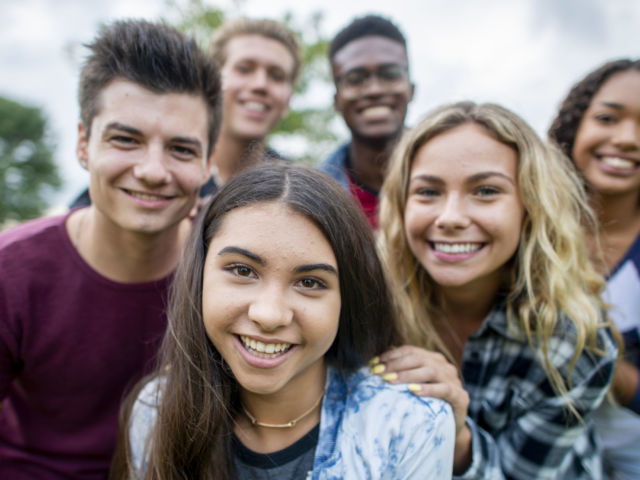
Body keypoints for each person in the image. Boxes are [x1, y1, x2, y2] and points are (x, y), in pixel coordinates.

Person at [110, 163, 455, 479]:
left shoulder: (411, 427)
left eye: (309, 283)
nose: (270, 315)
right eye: (243, 271)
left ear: (347, 299)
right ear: (199, 276)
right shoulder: (155, 413)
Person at [0, 20, 222, 479]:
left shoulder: (228, 275)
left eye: (181, 149)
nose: (152, 171)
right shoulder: (12, 272)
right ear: (84, 144)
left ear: (207, 164)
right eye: (126, 139)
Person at [376, 101, 618, 479]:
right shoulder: (368, 306)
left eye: (486, 191)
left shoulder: (576, 341)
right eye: (428, 192)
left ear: (531, 206)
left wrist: (457, 436)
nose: (451, 218)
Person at [70, 17, 300, 208]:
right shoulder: (129, 185)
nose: (260, 84)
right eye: (244, 69)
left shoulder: (298, 188)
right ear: (213, 81)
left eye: (277, 76)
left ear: (289, 96)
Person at [549, 58, 640, 480]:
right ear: (575, 123)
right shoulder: (530, 230)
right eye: (607, 118)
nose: (626, 139)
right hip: (542, 452)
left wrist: (611, 368)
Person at [319, 14, 414, 228]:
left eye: (389, 74)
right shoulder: (312, 198)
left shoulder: (457, 175)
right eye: (355, 79)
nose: (374, 90)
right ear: (337, 100)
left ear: (411, 89)